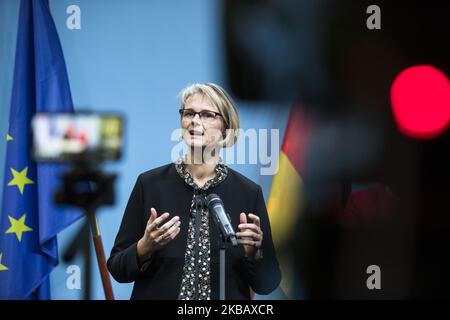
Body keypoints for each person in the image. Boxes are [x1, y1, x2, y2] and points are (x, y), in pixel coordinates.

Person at [107, 83, 281, 300]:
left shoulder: (248, 192)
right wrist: (144, 247)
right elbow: (116, 268)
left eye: (207, 115)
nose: (194, 121)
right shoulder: (149, 184)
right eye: (189, 113)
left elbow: (268, 283)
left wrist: (254, 254)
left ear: (226, 128)